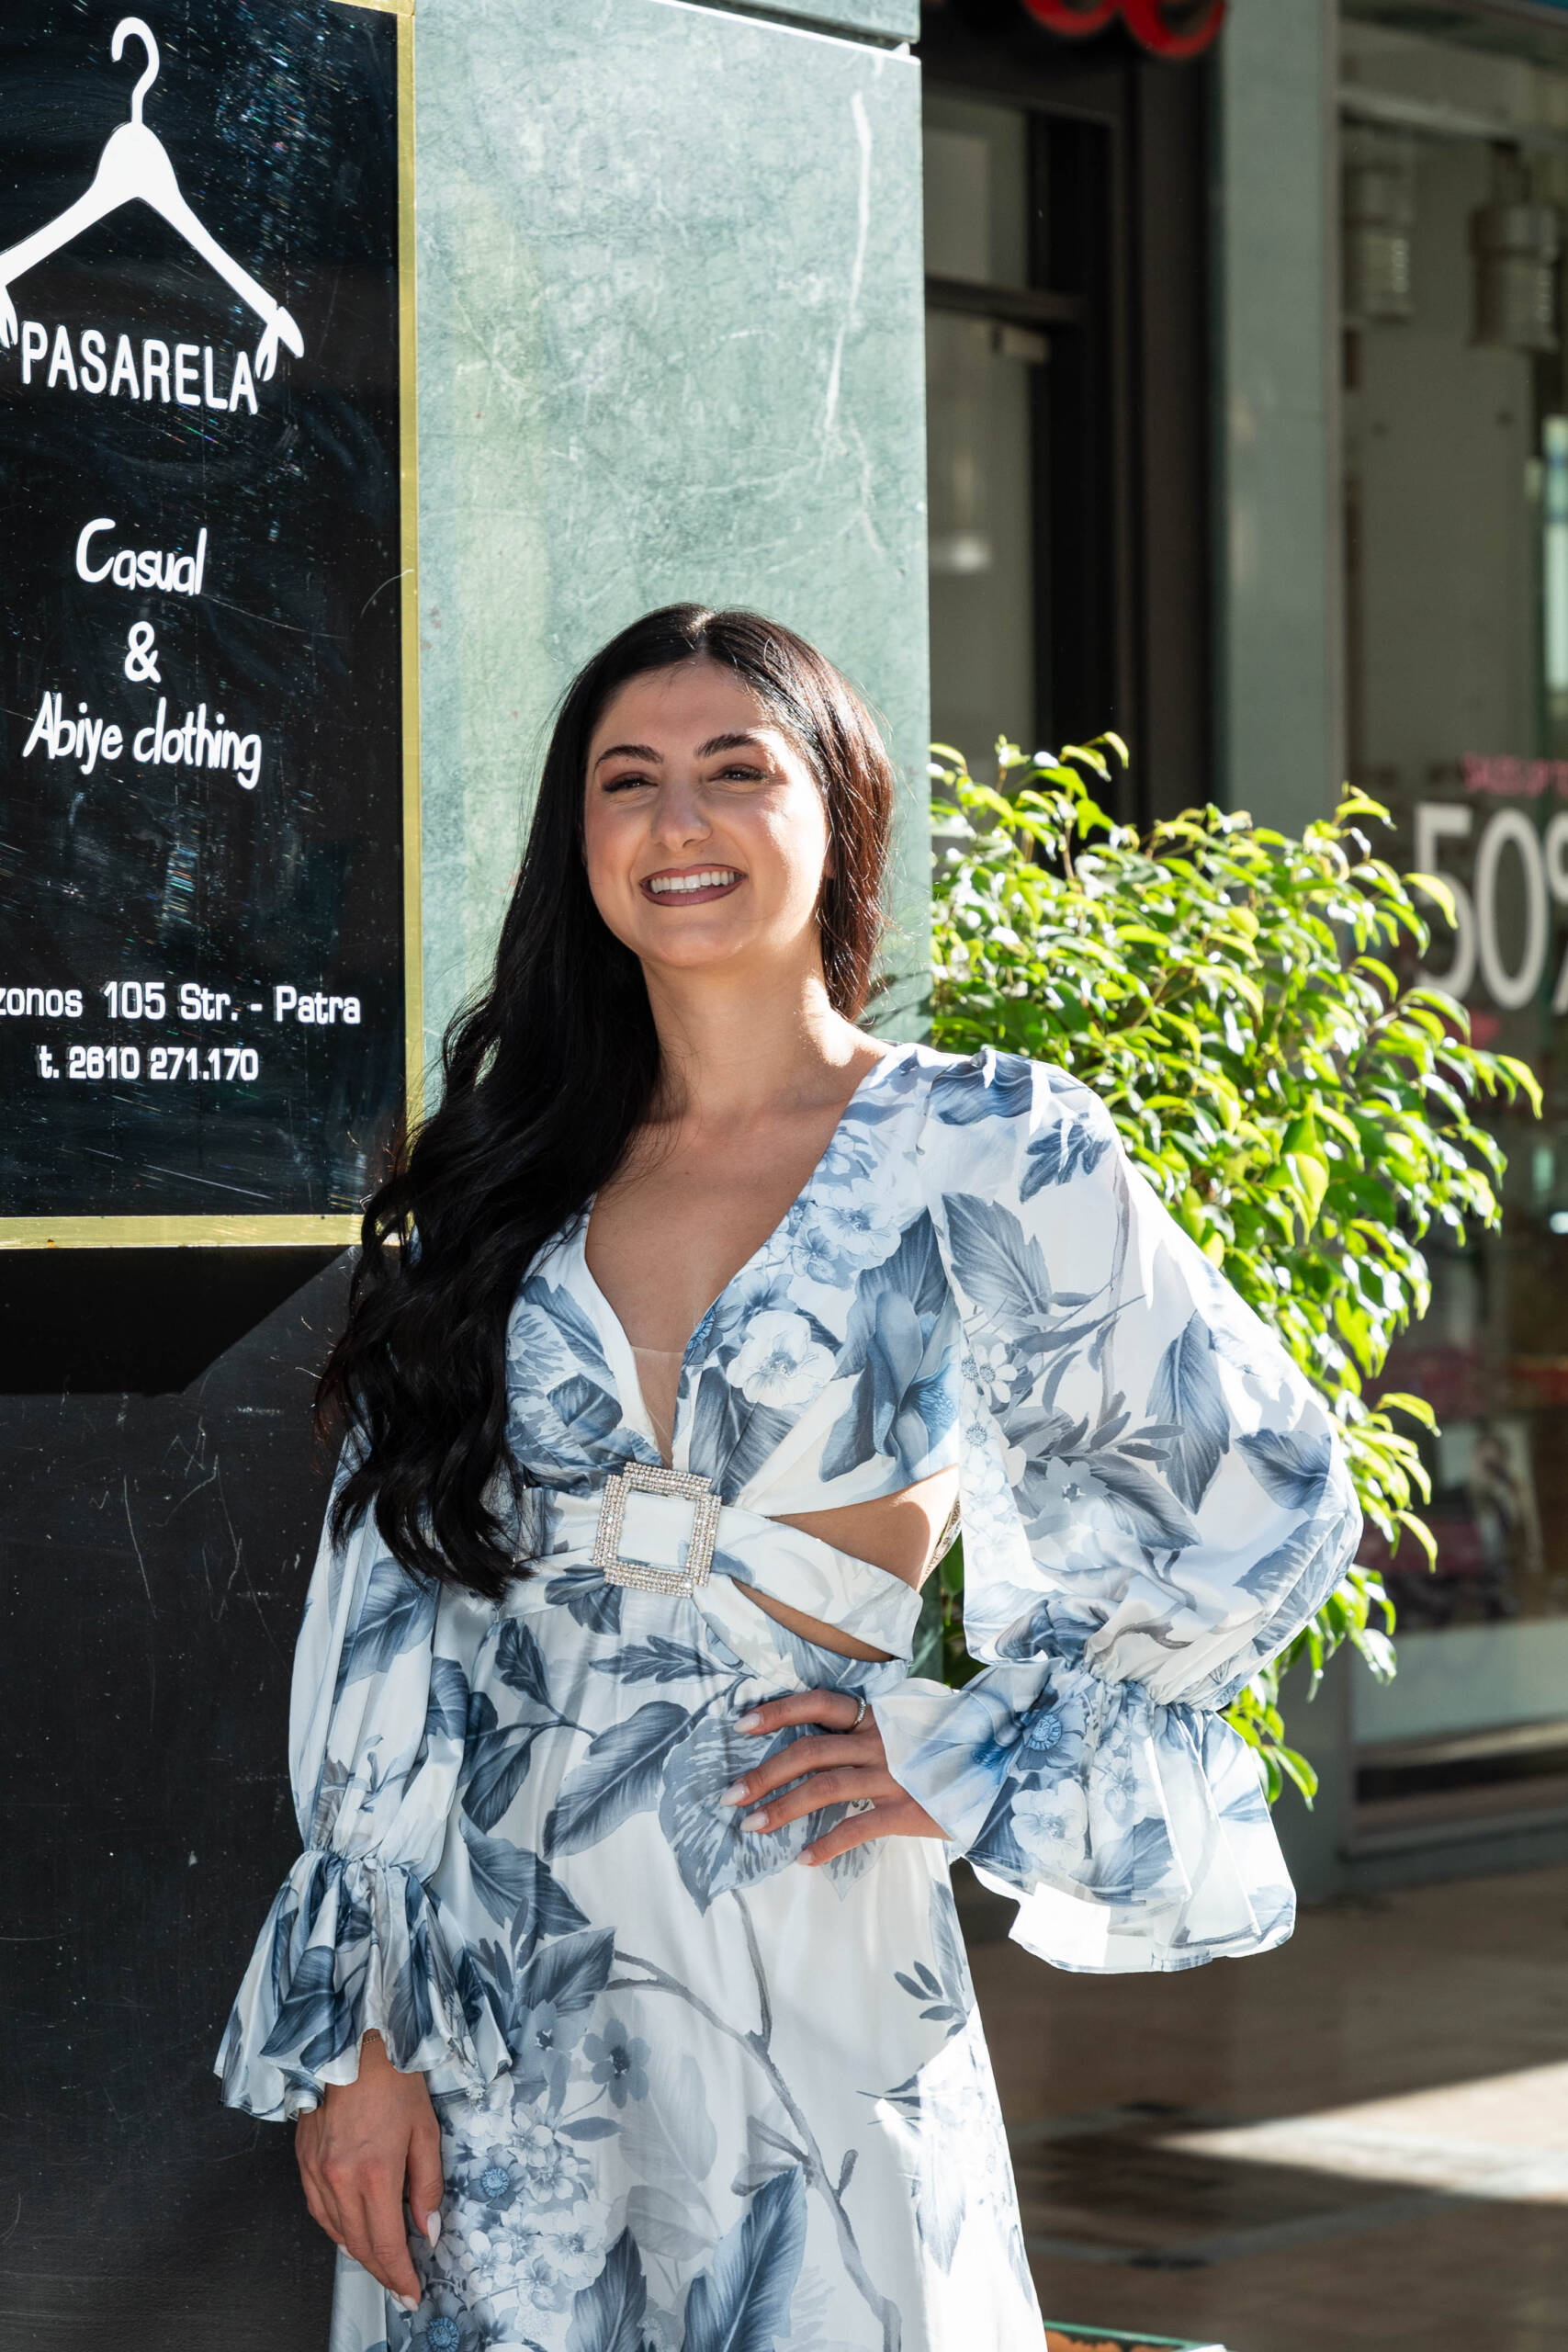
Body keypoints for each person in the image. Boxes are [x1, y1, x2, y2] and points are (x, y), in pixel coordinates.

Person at [216, 606, 1362, 2352]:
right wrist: (363, 2037)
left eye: (733, 771)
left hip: (813, 1944)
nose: (678, 823)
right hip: (499, 1993)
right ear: (579, 840)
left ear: (837, 807)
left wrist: (980, 1748)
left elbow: (1254, 1494)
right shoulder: (500, 1181)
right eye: (628, 782)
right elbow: (394, 1606)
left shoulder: (987, 1143)